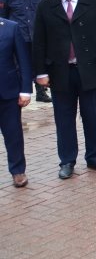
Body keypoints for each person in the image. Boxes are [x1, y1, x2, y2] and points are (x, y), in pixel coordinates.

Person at [32, 0, 96, 179]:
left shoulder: (95, 2)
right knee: (64, 119)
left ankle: (94, 156)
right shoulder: (45, 6)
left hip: (90, 70)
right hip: (60, 72)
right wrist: (40, 72)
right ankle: (67, 161)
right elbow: (39, 42)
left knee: (91, 116)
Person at [0, 0, 50, 103]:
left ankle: (41, 93)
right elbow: (2, 18)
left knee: (38, 64)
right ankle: (19, 91)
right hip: (17, 38)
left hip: (35, 36)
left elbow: (42, 16)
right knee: (18, 66)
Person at [0, 16, 31, 188]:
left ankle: (18, 171)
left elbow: (24, 61)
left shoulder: (10, 27)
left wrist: (26, 90)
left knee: (13, 135)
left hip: (8, 92)